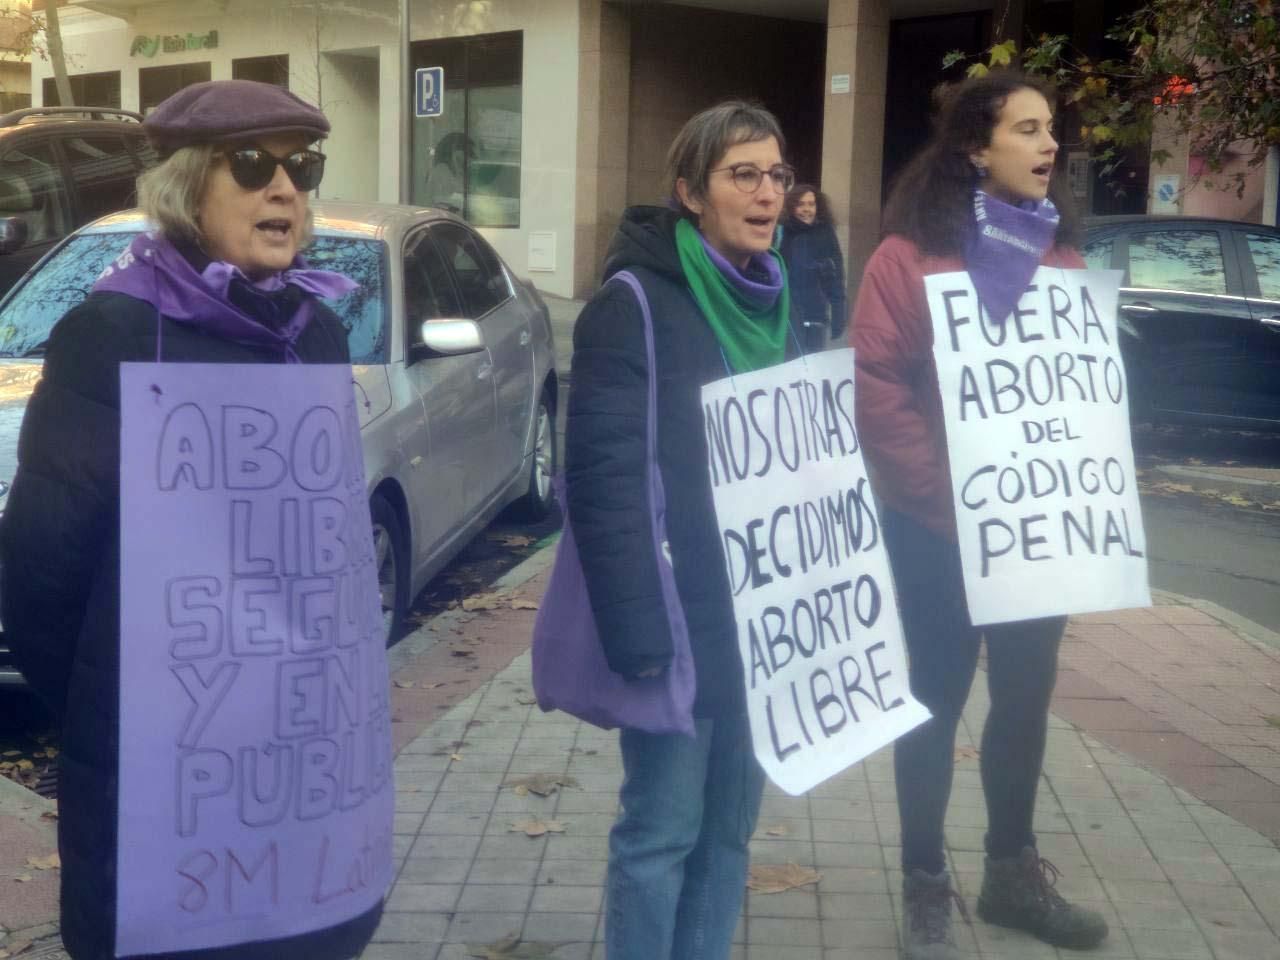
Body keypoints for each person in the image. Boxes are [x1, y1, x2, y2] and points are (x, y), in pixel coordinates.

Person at [0, 80, 383, 960]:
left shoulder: (316, 334)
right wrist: (125, 709)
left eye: (303, 165)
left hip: (296, 787)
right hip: (164, 790)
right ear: (181, 186)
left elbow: (325, 556)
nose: (285, 188)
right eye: (253, 165)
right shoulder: (113, 336)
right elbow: (43, 576)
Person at [851, 71, 1110, 959]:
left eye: (1051, 130)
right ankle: (925, 877)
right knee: (933, 701)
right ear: (975, 148)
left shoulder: (1063, 262)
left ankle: (1011, 873)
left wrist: (1086, 485)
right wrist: (940, 504)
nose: (1049, 146)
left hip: (1037, 538)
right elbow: (876, 388)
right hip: (938, 536)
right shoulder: (907, 258)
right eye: (1028, 129)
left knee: (1026, 701)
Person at [566, 101, 797, 960]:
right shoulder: (632, 305)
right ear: (691, 193)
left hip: (766, 627)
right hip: (679, 624)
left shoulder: (778, 299)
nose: (767, 191)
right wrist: (639, 636)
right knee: (661, 835)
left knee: (729, 834)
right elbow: (602, 481)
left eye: (777, 174)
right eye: (744, 173)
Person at [779, 183, 847, 352]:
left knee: (814, 366)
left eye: (811, 204)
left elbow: (836, 275)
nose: (807, 209)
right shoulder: (781, 232)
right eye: (801, 204)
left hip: (816, 314)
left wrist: (839, 311)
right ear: (791, 207)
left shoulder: (825, 233)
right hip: (786, 316)